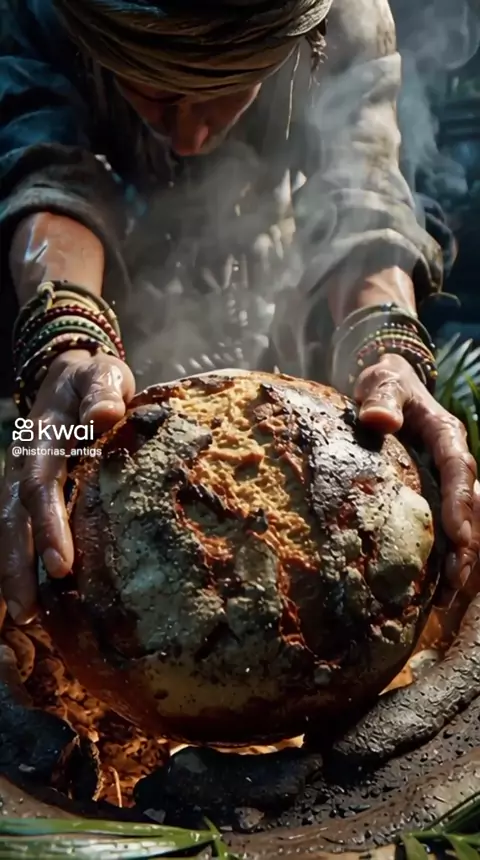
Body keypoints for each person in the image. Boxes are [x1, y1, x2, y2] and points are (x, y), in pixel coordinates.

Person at [0, 0, 476, 627]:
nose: (189, 139)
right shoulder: (44, 8)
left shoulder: (341, 14)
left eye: (226, 93)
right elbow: (44, 167)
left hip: (277, 299)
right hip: (86, 325)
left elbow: (362, 189)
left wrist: (386, 352)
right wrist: (66, 347)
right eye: (154, 93)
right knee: (44, 466)